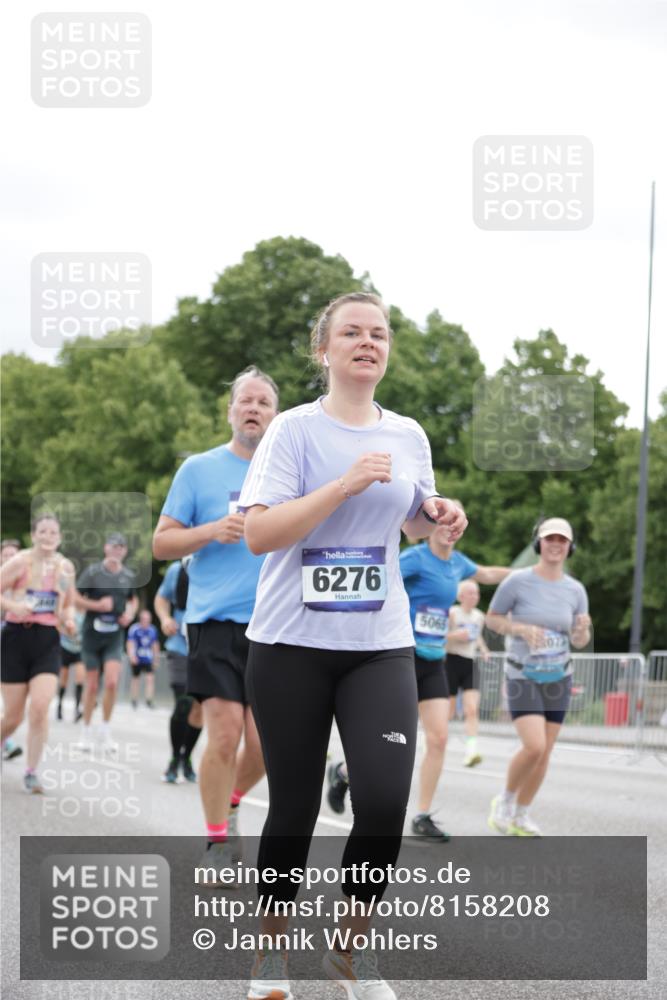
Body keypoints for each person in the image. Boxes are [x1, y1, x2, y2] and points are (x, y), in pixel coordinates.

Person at [239, 292, 468, 1000]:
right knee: (296, 804)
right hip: (290, 643)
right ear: (324, 349)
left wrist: (441, 520)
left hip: (378, 643)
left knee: (380, 801)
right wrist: (340, 486)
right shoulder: (293, 432)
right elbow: (258, 534)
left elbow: (409, 524)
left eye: (379, 333)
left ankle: (347, 954)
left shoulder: (408, 434)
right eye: (352, 333)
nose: (368, 342)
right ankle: (270, 955)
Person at [153, 366, 279, 862]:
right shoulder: (199, 470)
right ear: (231, 412)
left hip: (275, 626)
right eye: (245, 401)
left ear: (276, 415)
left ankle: (229, 803)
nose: (253, 409)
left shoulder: (290, 474)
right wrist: (210, 531)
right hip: (214, 622)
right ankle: (216, 841)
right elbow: (161, 543)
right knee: (224, 731)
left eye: (263, 403)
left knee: (268, 747)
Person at [328, 530, 509, 841]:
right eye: (443, 521)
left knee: (438, 739)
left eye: (457, 523)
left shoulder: (456, 563)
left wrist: (528, 574)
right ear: (430, 527)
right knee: (387, 738)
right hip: (403, 655)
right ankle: (345, 773)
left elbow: (488, 572)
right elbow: (382, 578)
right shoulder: (415, 558)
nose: (450, 529)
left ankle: (422, 816)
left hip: (434, 660)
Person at [486, 517, 591, 837]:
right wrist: (521, 629)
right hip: (523, 675)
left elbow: (579, 641)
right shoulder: (517, 582)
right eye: (550, 539)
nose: (556, 544)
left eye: (562, 540)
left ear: (570, 547)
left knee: (545, 751)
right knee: (534, 746)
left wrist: (582, 630)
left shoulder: (576, 589)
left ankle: (522, 814)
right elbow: (492, 620)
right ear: (539, 544)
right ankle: (504, 801)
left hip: (559, 677)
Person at [0, 515, 77, 792]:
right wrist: (13, 605)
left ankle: (31, 771)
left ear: (59, 536)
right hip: (15, 637)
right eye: (42, 531)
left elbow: (68, 604)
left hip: (47, 639)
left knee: (41, 706)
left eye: (53, 531)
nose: (48, 536)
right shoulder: (19, 562)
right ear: (33, 535)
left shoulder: (66, 568)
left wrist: (68, 620)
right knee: (13, 716)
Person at [75, 533, 138, 752]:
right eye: (114, 546)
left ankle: (105, 729)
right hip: (92, 635)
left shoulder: (128, 575)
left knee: (111, 681)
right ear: (105, 548)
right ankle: (85, 730)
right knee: (92, 684)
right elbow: (74, 597)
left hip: (114, 635)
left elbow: (133, 600)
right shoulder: (93, 572)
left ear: (125, 551)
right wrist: (97, 605)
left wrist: (129, 614)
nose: (117, 550)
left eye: (121, 547)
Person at [153, 558, 203, 783]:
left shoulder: (221, 563)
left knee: (199, 708)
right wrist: (165, 619)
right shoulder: (178, 569)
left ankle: (187, 757)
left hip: (207, 646)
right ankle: (174, 759)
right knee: (183, 703)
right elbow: (162, 597)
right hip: (179, 646)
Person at [446, 578, 491, 766]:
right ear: (461, 596)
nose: (475, 596)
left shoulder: (479, 616)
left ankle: (471, 752)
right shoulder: (452, 613)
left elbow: (477, 635)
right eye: (471, 593)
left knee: (472, 709)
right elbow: (438, 636)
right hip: (451, 661)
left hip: (470, 663)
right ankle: (434, 742)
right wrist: (456, 635)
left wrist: (484, 649)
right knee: (447, 711)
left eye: (477, 593)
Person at [1, 539, 24, 760]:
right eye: (6, 555)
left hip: (16, 644)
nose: (10, 559)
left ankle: (4, 739)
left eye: (14, 555)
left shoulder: (27, 584)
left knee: (13, 705)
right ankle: (6, 742)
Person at [126, 609, 160, 709]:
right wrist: (132, 656)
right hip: (137, 657)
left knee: (150, 679)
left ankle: (149, 700)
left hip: (148, 657)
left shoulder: (152, 630)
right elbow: (130, 643)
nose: (146, 621)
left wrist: (156, 658)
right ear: (141, 619)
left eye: (148, 619)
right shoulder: (134, 629)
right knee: (135, 679)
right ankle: (134, 700)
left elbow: (155, 645)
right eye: (144, 619)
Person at [57, 609, 86, 721]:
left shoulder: (87, 613)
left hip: (80, 649)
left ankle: (77, 709)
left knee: (80, 678)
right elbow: (58, 625)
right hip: (66, 647)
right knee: (64, 678)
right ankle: (59, 706)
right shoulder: (68, 611)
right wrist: (67, 631)